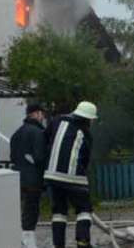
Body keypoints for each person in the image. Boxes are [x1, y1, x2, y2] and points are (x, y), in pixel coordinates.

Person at [44, 101, 98, 248]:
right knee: (84, 211)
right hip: (75, 178)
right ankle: (82, 243)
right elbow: (85, 159)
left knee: (59, 213)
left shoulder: (56, 121)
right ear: (88, 118)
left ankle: (58, 245)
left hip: (52, 175)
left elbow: (45, 140)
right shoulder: (86, 133)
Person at [10, 103, 47, 248]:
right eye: (42, 114)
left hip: (17, 180)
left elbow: (13, 157)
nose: (43, 117)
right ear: (36, 114)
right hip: (33, 181)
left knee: (19, 210)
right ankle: (29, 243)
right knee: (31, 212)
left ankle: (19, 241)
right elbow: (39, 158)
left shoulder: (16, 133)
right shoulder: (38, 133)